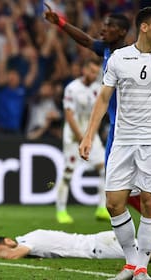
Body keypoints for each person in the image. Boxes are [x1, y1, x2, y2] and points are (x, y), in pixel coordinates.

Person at [44, 2, 151, 239]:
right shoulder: (110, 52)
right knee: (120, 188)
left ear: (122, 32)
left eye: (109, 26)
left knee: (139, 189)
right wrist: (59, 22)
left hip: (140, 129)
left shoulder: (132, 55)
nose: (103, 29)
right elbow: (86, 40)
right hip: (117, 129)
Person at [79, 7, 151, 280]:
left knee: (150, 201)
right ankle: (131, 262)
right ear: (144, 27)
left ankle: (141, 267)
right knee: (114, 203)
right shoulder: (119, 58)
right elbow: (104, 98)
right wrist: (89, 134)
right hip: (123, 139)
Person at [55, 58, 110, 224]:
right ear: (84, 70)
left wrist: (90, 136)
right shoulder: (72, 88)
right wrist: (81, 137)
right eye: (91, 71)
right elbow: (69, 115)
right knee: (68, 172)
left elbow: (99, 113)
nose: (94, 75)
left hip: (90, 134)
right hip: (73, 135)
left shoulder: (97, 88)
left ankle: (102, 208)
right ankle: (61, 211)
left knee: (104, 168)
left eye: (96, 72)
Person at [0, 229, 151, 261]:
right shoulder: (30, 239)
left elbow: (14, 255)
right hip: (101, 242)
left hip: (101, 246)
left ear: (7, 241)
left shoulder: (29, 240)